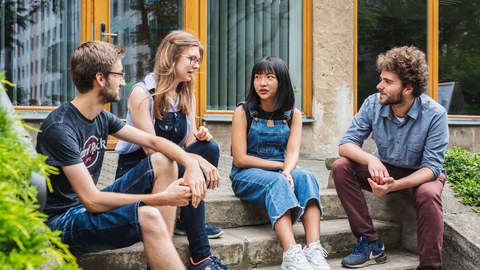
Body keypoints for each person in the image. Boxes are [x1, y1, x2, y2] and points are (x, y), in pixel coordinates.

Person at [36, 40, 207, 270]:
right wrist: (162, 198)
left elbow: (153, 141)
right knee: (148, 216)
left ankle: (159, 261)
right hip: (60, 221)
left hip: (83, 206)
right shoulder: (60, 127)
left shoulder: (101, 117)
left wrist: (190, 163)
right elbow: (93, 201)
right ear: (100, 78)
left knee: (163, 160)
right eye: (119, 74)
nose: (123, 81)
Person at [114, 30, 228, 270]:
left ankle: (185, 219)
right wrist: (195, 162)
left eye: (198, 60)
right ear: (172, 56)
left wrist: (200, 142)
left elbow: (187, 147)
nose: (196, 66)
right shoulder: (142, 93)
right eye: (191, 59)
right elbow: (150, 150)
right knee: (182, 160)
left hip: (173, 164)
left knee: (209, 148)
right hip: (139, 172)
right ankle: (201, 256)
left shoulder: (186, 94)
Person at [331, 46, 448, 269]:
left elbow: (432, 169)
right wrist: (371, 159)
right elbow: (346, 145)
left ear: (408, 88)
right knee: (341, 167)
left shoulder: (435, 114)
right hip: (385, 168)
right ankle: (370, 243)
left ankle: (430, 266)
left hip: (419, 175)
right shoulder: (373, 104)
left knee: (428, 193)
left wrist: (396, 186)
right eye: (380, 79)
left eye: (387, 81)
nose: (379, 86)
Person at [230, 56, 331, 270]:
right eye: (257, 77)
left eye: (269, 77)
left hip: (281, 168)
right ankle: (291, 253)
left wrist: (287, 169)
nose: (262, 83)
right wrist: (281, 169)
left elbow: (293, 153)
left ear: (281, 81)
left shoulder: (292, 114)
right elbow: (240, 158)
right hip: (246, 174)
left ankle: (313, 248)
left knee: (306, 176)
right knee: (277, 182)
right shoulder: (243, 112)